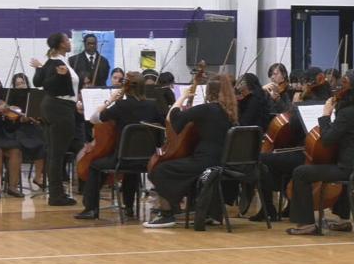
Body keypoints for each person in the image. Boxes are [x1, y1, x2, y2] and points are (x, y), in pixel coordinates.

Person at [143, 73, 238, 228]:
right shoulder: (230, 112)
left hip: (205, 162)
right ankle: (204, 212)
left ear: (209, 92)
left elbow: (173, 118)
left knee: (159, 169)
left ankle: (167, 215)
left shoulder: (205, 109)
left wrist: (183, 97)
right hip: (222, 162)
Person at [286, 72, 354, 235]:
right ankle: (343, 219)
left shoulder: (347, 113)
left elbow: (327, 140)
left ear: (345, 92)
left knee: (300, 172)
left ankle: (307, 224)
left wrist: (326, 115)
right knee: (337, 162)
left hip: (350, 170)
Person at [76, 72, 164, 220]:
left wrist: (109, 101)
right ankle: (129, 208)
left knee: (94, 165)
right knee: (132, 169)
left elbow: (94, 119)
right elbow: (162, 125)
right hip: (146, 160)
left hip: (122, 159)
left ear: (126, 87)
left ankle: (91, 209)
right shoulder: (152, 105)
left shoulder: (121, 105)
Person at [255, 67, 332, 222]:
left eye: (303, 84)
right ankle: (290, 204)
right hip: (327, 157)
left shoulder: (305, 106)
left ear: (308, 85)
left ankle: (269, 207)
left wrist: (294, 107)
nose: (301, 87)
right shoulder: (331, 103)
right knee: (282, 161)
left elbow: (292, 128)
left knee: (261, 159)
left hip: (306, 156)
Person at [30, 32, 80, 206]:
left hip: (57, 107)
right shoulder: (56, 62)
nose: (70, 41)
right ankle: (56, 195)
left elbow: (39, 80)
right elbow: (45, 85)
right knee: (56, 154)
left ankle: (56, 193)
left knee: (54, 153)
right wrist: (59, 76)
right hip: (59, 108)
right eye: (67, 40)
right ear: (60, 45)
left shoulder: (57, 61)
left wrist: (39, 68)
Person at [10, 72, 47, 190]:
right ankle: (14, 180)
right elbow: (10, 120)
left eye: (23, 83)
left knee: (43, 143)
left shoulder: (33, 96)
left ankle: (38, 177)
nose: (21, 86)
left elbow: (40, 114)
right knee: (18, 146)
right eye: (18, 84)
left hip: (33, 128)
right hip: (18, 129)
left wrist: (37, 116)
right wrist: (20, 119)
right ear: (14, 86)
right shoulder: (11, 98)